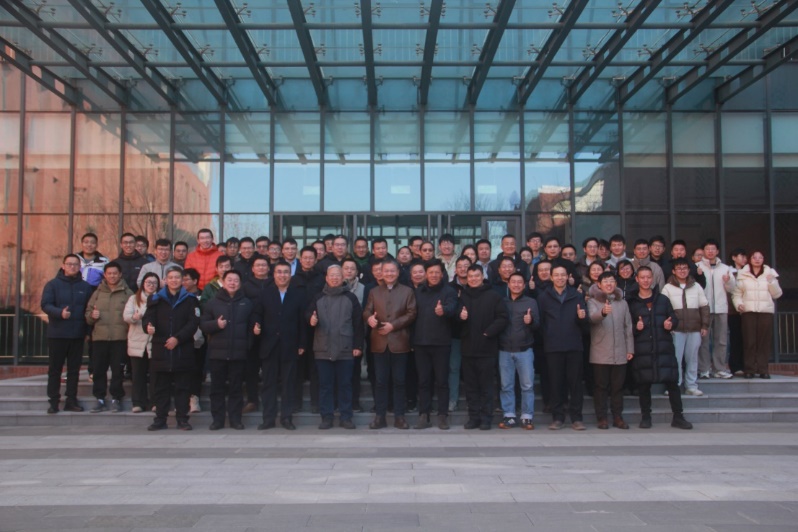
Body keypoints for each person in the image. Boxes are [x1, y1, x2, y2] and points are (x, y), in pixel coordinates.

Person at [628, 266, 693, 430]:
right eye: (642, 277)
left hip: (663, 347)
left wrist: (670, 324)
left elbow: (674, 319)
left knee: (672, 383)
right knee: (644, 385)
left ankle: (678, 417)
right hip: (643, 349)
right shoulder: (632, 302)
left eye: (648, 277)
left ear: (653, 279)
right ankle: (646, 417)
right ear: (637, 279)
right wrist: (636, 328)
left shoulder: (662, 299)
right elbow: (626, 327)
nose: (646, 280)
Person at [142, 267, 201, 431]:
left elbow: (193, 323)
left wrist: (178, 338)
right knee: (161, 387)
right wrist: (148, 327)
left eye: (177, 277)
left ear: (182, 280)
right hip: (161, 349)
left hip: (183, 349)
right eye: (171, 277)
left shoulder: (190, 299)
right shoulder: (156, 299)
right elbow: (147, 318)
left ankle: (182, 419)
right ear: (165, 280)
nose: (174, 280)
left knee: (183, 387)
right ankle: (160, 419)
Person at [307, 265, 365, 430]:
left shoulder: (350, 298)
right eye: (331, 275)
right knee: (325, 385)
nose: (334, 278)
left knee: (345, 384)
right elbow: (308, 314)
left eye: (337, 275)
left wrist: (358, 345)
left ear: (343, 278)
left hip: (345, 348)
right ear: (326, 278)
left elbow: (358, 324)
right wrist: (311, 319)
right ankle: (327, 417)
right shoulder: (318, 297)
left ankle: (346, 417)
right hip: (323, 348)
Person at [363, 259, 417, 430]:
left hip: (400, 341)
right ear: (381, 273)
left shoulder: (407, 291)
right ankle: (380, 416)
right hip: (379, 341)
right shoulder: (374, 291)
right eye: (386, 271)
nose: (389, 274)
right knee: (380, 381)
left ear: (398, 272)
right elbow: (367, 311)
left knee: (399, 381)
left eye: (392, 271)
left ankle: (399, 416)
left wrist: (393, 325)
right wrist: (369, 319)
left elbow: (412, 313)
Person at [200, 270, 257, 430]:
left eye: (236, 280)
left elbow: (251, 328)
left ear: (240, 284)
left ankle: (235, 419)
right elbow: (203, 325)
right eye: (229, 280)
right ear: (223, 282)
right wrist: (215, 325)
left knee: (236, 389)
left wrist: (247, 345)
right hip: (217, 354)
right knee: (216, 389)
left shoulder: (246, 303)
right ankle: (217, 420)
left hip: (239, 354)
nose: (232, 283)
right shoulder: (213, 303)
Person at [537, 264, 589, 431]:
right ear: (551, 277)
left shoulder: (577, 295)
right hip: (553, 347)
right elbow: (540, 323)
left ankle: (577, 418)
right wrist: (548, 337)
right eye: (557, 275)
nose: (560, 278)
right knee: (555, 383)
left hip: (574, 345)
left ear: (568, 277)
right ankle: (558, 417)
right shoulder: (544, 297)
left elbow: (585, 324)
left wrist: (582, 318)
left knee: (575, 384)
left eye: (563, 275)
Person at [457, 264, 509, 430]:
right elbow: (453, 320)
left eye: (476, 276)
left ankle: (486, 418)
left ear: (482, 277)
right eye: (470, 276)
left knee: (486, 387)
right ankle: (474, 418)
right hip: (467, 348)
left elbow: (502, 317)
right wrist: (460, 317)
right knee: (471, 387)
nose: (473, 279)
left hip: (487, 348)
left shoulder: (493, 295)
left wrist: (488, 332)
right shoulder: (462, 296)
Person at [256, 262, 306, 430]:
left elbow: (302, 321)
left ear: (290, 275)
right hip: (269, 346)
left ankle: (286, 418)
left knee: (288, 384)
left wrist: (302, 343)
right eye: (279, 272)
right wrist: (256, 325)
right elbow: (257, 314)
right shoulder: (265, 293)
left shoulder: (298, 294)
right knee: (268, 384)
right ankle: (268, 419)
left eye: (286, 272)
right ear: (274, 274)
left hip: (290, 345)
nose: (282, 275)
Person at [41, 254, 92, 414]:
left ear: (80, 267)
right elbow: (45, 304)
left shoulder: (85, 287)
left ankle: (71, 400)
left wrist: (88, 332)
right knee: (55, 370)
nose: (72, 267)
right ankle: (53, 402)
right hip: (57, 334)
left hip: (77, 335)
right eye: (69, 264)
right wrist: (59, 313)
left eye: (75, 264)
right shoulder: (53, 285)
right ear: (63, 266)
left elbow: (89, 310)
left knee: (74, 371)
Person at [412, 259, 457, 430]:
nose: (434, 275)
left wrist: (444, 310)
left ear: (442, 273)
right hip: (421, 343)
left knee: (442, 381)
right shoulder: (419, 291)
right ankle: (424, 414)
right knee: (423, 381)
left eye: (437, 272)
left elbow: (453, 308)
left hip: (441, 343)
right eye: (431, 272)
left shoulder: (449, 291)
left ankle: (442, 415)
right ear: (426, 274)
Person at [587, 272, 634, 429]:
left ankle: (617, 417)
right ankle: (602, 418)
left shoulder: (623, 303)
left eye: (612, 281)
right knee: (601, 387)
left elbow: (628, 327)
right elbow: (592, 318)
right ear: (599, 284)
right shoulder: (592, 301)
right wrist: (603, 313)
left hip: (620, 351)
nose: (609, 284)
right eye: (605, 281)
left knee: (618, 387)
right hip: (600, 351)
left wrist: (630, 348)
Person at [85, 262, 134, 413]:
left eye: (115, 273)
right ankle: (99, 398)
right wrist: (92, 316)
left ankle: (116, 398)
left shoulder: (128, 293)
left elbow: (133, 315)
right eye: (109, 273)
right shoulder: (98, 293)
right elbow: (88, 315)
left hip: (120, 338)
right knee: (99, 370)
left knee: (117, 371)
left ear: (120, 275)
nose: (112, 276)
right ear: (105, 275)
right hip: (100, 338)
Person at [661, 258, 710, 396]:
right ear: (673, 271)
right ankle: (675, 385)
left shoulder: (696, 286)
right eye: (679, 268)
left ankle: (691, 386)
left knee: (692, 358)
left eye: (684, 268)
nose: (682, 271)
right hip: (676, 330)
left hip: (694, 328)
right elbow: (663, 308)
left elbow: (704, 307)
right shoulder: (667, 287)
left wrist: (704, 325)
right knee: (675, 359)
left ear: (689, 270)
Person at [498, 272, 540, 430]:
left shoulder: (531, 302)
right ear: (508, 284)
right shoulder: (502, 302)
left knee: (527, 385)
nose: (516, 285)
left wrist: (531, 321)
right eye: (513, 282)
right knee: (506, 385)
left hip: (524, 349)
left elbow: (537, 325)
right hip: (504, 349)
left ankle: (527, 416)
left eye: (519, 282)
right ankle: (509, 415)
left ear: (524, 285)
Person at [732, 251, 783, 379]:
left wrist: (772, 282)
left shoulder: (770, 273)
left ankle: (763, 369)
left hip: (765, 312)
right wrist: (739, 304)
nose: (757, 259)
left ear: (763, 259)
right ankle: (749, 369)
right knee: (749, 341)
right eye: (754, 257)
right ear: (750, 259)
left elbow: (777, 294)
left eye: (760, 257)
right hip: (748, 311)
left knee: (763, 341)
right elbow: (736, 294)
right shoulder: (742, 274)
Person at [696, 239, 736, 379]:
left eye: (713, 249)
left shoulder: (725, 268)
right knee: (703, 340)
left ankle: (719, 368)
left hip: (721, 308)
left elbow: (732, 289)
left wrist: (728, 281)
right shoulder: (697, 267)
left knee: (721, 340)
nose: (710, 251)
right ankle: (704, 369)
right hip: (704, 309)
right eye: (707, 249)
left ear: (717, 251)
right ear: (703, 251)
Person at [124, 272, 158, 413]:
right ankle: (138, 402)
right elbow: (126, 316)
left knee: (155, 375)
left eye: (154, 283)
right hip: (137, 341)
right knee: (138, 374)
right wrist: (135, 316)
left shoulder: (160, 299)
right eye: (148, 282)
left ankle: (155, 402)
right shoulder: (134, 299)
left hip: (154, 341)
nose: (151, 285)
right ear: (143, 284)